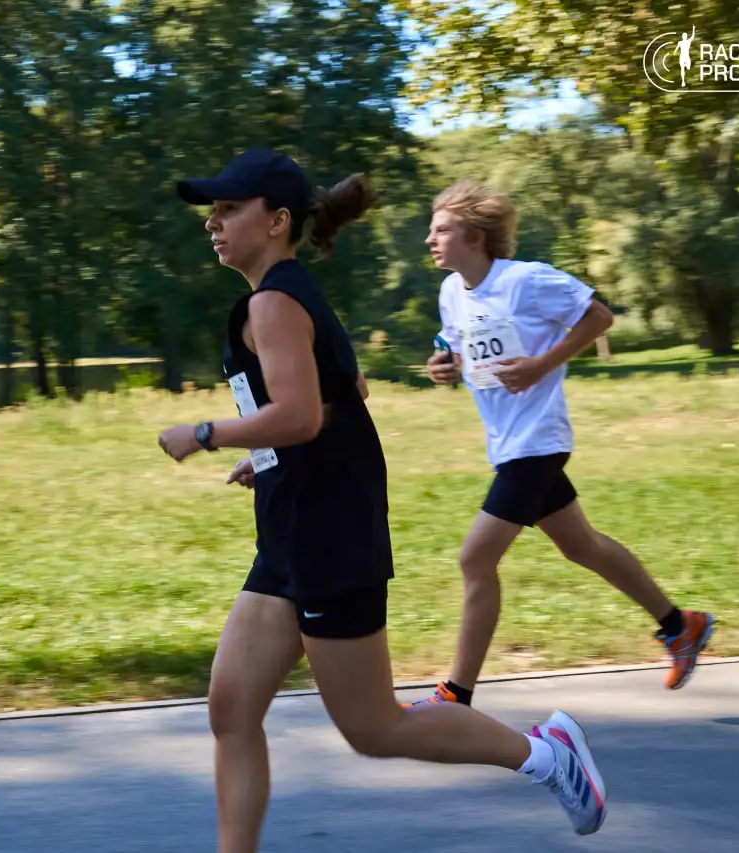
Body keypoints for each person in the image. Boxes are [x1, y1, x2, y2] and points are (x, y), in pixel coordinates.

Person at [157, 149, 606, 853]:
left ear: (276, 222)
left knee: (376, 728)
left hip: (330, 532)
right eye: (211, 209)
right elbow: (346, 394)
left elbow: (303, 413)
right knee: (231, 708)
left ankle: (546, 753)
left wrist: (207, 432)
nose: (212, 222)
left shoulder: (275, 300)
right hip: (292, 526)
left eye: (227, 208)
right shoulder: (284, 292)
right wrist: (263, 451)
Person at [415, 178, 715, 710]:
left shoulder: (527, 280)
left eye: (442, 229)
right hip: (508, 443)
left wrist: (540, 365)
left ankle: (454, 694)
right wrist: (446, 366)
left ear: (476, 237)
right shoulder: (451, 292)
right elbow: (461, 352)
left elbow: (599, 316)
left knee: (474, 559)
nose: (430, 240)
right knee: (581, 546)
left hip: (538, 441)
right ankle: (680, 626)